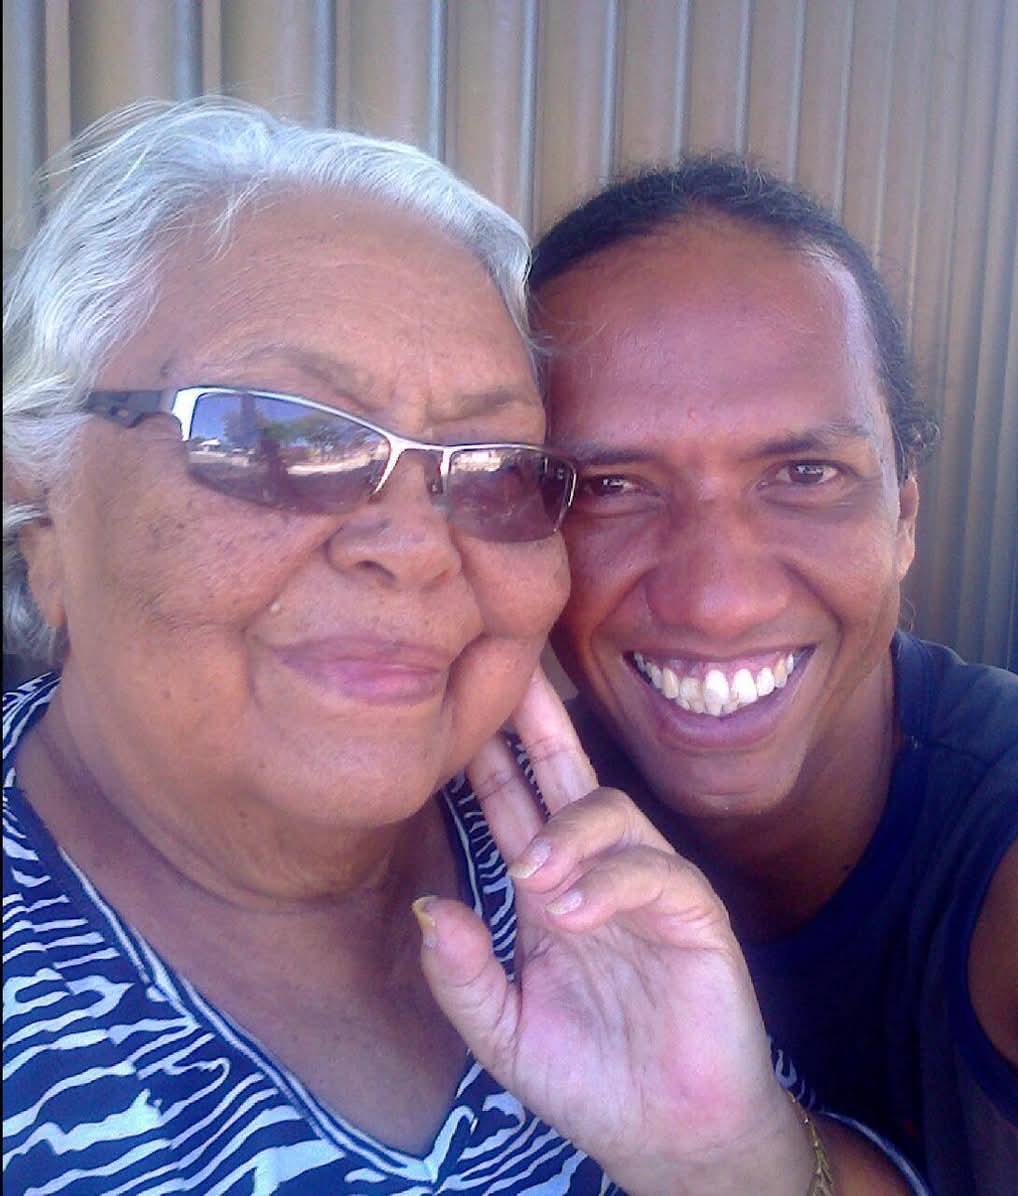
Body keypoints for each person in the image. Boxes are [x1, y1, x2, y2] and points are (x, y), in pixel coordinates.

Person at [1, 99, 923, 1196]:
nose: (416, 545)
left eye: (494, 469)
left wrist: (735, 1157)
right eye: (277, 433)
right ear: (38, 507)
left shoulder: (572, 840)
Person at [529, 155, 1018, 1196]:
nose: (717, 598)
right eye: (609, 485)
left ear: (905, 511)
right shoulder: (487, 833)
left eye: (805, 473)